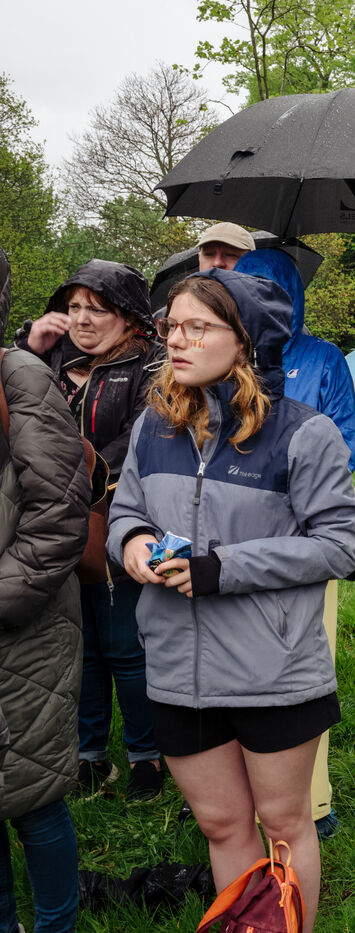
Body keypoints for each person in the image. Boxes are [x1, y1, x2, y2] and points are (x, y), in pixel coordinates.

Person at [106, 270, 355, 933]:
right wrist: (131, 541)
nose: (176, 341)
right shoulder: (153, 426)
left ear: (245, 341)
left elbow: (340, 545)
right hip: (176, 668)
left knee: (282, 824)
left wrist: (223, 568)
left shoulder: (303, 434)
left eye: (198, 327)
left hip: (272, 669)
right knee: (222, 825)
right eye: (172, 326)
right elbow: (126, 510)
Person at [11, 260, 167, 803]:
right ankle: (88, 754)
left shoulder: (152, 363)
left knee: (125, 644)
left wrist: (73, 472)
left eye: (97, 309)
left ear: (128, 317)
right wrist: (30, 348)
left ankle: (146, 756)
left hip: (117, 517)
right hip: (49, 523)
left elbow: (143, 434)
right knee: (80, 648)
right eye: (73, 307)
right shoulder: (48, 358)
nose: (81, 319)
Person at [234, 248, 355, 838]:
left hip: (304, 540)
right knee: (235, 665)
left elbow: (345, 445)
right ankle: (235, 790)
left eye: (274, 290)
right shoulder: (224, 359)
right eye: (249, 289)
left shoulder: (323, 359)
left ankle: (311, 800)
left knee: (305, 666)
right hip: (234, 543)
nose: (262, 302)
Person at [0, 249, 90, 933]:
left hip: (22, 625)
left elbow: (59, 509)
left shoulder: (21, 377)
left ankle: (58, 924)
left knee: (31, 792)